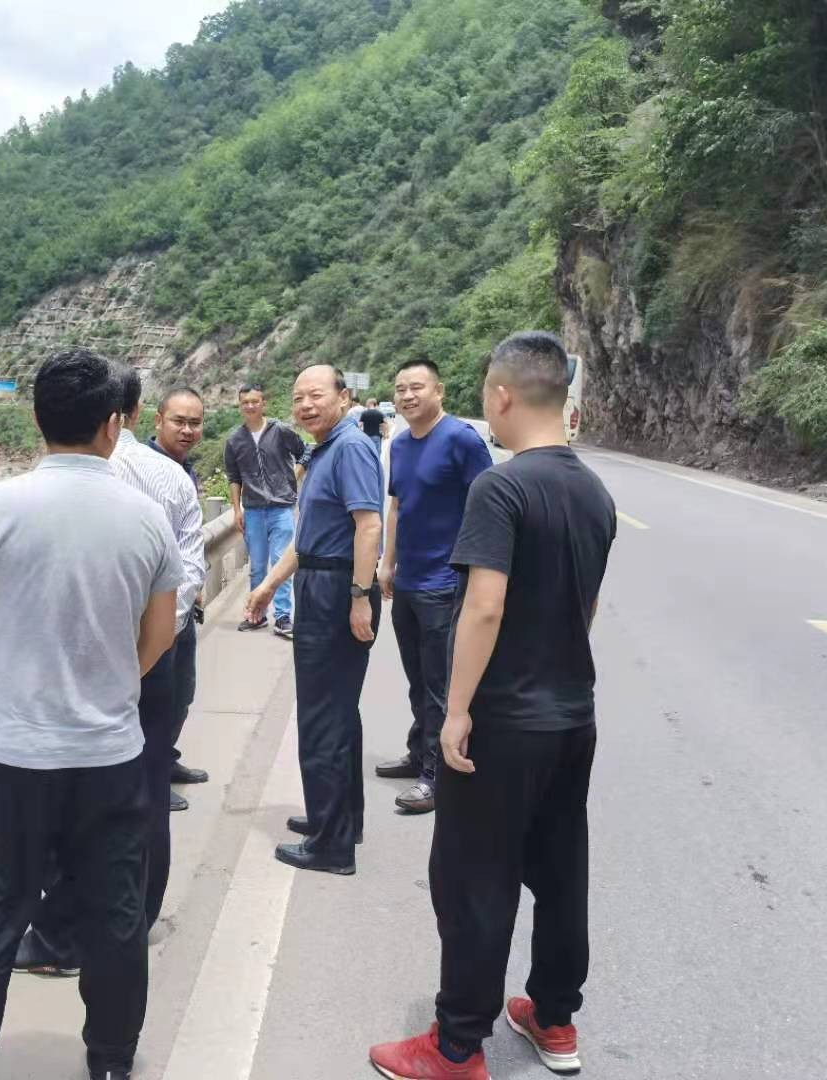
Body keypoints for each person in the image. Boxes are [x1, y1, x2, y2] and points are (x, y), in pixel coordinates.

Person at [0, 349, 183, 1080]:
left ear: (38, 420)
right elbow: (161, 635)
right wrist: (107, 684)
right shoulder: (147, 516)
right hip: (110, 758)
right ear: (113, 424)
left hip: (11, 756)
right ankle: (111, 1063)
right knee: (116, 920)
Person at [368, 333, 616, 1080]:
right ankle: (554, 1017)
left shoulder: (501, 489)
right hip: (571, 714)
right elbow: (585, 607)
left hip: (503, 722)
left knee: (474, 877)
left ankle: (456, 1044)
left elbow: (484, 605)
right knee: (560, 869)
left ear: (502, 396)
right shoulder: (594, 492)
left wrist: (456, 711)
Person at [14, 367, 207, 977]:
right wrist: (147, 651)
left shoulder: (48, 486)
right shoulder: (170, 478)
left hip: (83, 662)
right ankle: (134, 921)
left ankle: (63, 936)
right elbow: (189, 574)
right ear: (132, 413)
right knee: (146, 788)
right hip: (160, 655)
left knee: (73, 796)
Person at [246, 365, 383, 875]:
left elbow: (368, 526)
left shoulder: (350, 448)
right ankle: (338, 820)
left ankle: (331, 846)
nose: (305, 405)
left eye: (316, 395)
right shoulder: (325, 449)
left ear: (343, 397)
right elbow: (309, 538)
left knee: (323, 717)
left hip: (335, 588)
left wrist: (359, 596)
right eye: (298, 397)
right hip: (321, 580)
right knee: (337, 712)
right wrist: (268, 585)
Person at [375, 360, 493, 816]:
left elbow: (488, 507)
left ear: (438, 390)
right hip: (408, 580)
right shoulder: (401, 444)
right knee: (417, 678)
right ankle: (418, 751)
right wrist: (388, 562)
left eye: (416, 387)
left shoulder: (462, 439)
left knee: (441, 683)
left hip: (445, 583)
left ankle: (436, 774)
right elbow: (397, 506)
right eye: (400, 388)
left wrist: (477, 573)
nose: (407, 395)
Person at [150, 386, 210, 797]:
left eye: (195, 423)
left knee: (181, 692)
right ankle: (151, 777)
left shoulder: (184, 468)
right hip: (155, 607)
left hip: (183, 603)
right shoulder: (145, 468)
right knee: (156, 697)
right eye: (179, 421)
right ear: (158, 420)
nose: (187, 430)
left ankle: (164, 759)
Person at [225, 382, 306, 640]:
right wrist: (236, 510)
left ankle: (283, 617)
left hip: (281, 508)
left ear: (263, 403)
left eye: (254, 401)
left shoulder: (280, 431)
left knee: (280, 564)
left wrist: (294, 477)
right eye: (245, 402)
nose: (250, 406)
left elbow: (306, 452)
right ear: (240, 406)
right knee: (257, 566)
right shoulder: (234, 440)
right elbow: (234, 477)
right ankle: (257, 615)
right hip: (253, 511)